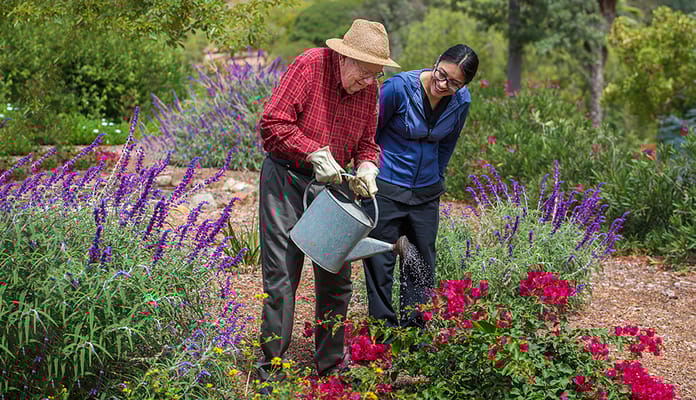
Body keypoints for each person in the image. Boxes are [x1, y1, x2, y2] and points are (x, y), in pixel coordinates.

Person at [255, 19, 400, 393]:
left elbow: (368, 143)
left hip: (333, 188)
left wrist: (368, 166)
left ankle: (331, 366)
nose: (371, 82)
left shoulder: (369, 91)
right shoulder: (310, 66)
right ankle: (271, 368)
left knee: (337, 278)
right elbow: (272, 124)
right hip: (287, 179)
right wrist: (311, 152)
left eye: (377, 75)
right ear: (345, 58)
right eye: (366, 74)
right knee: (282, 278)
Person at [362, 44, 479, 332]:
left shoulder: (461, 101)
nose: (443, 84)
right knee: (381, 262)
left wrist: (437, 176)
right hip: (386, 187)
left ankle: (415, 335)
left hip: (426, 193)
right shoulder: (398, 88)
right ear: (436, 61)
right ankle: (382, 335)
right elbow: (370, 132)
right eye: (442, 74)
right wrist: (366, 172)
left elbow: (447, 144)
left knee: (420, 265)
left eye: (454, 83)